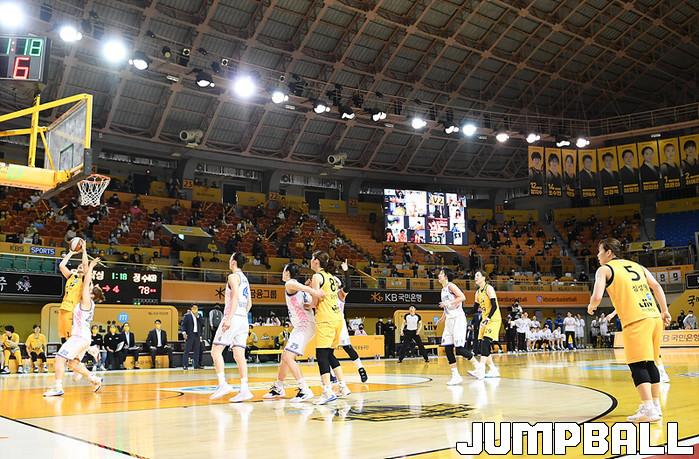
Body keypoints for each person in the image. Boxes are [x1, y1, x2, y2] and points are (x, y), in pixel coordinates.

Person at [587, 238, 671, 422]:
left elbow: (597, 296)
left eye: (600, 251)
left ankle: (648, 408)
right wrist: (664, 310)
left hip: (636, 320)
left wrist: (591, 306)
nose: (598, 255)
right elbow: (656, 286)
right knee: (651, 363)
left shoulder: (604, 269)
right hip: (654, 317)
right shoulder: (637, 266)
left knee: (637, 365)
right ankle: (655, 406)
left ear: (609, 252)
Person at [263, 263, 324, 402]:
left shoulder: (290, 284)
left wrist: (313, 291)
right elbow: (311, 302)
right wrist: (312, 292)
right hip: (304, 326)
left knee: (288, 357)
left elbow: (303, 288)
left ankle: (304, 389)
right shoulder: (301, 289)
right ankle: (278, 387)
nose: (282, 273)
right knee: (285, 356)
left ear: (288, 273)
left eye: (284, 270)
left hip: (304, 326)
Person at [44, 257, 105, 396]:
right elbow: (86, 279)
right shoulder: (87, 301)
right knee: (72, 364)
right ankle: (95, 379)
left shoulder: (86, 300)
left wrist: (91, 266)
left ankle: (58, 387)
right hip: (83, 337)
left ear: (92, 294)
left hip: (79, 337)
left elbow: (87, 279)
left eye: (91, 288)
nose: (89, 287)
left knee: (60, 358)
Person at [209, 253, 254, 403]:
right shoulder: (245, 279)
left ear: (233, 262)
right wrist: (241, 315)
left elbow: (234, 297)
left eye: (230, 260)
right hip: (243, 319)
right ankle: (244, 389)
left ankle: (223, 384)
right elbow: (249, 303)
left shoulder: (233, 277)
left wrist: (229, 318)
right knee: (239, 355)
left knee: (215, 351)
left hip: (232, 317)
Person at [309, 251, 351, 404]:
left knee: (321, 355)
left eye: (312, 258)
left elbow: (315, 302)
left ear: (316, 261)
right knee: (330, 355)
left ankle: (327, 391)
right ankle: (343, 386)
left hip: (325, 319)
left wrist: (307, 305)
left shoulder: (317, 277)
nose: (310, 261)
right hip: (337, 319)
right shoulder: (331, 277)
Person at [436, 268, 480, 385]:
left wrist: (449, 303)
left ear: (446, 276)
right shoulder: (442, 290)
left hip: (458, 319)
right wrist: (442, 317)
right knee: (447, 347)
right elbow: (446, 307)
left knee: (459, 349)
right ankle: (455, 375)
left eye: (441, 274)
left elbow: (462, 297)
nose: (439, 275)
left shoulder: (451, 286)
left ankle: (478, 367)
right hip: (449, 320)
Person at [335, 260, 368, 383]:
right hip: (328, 323)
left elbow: (348, 287)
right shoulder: (325, 294)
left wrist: (345, 271)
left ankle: (360, 368)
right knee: (326, 351)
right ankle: (332, 375)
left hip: (339, 323)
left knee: (347, 347)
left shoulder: (340, 294)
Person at [469, 270, 502, 379]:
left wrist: (488, 318)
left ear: (484, 277)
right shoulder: (477, 293)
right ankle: (493, 369)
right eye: (475, 276)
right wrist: (462, 313)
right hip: (485, 320)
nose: (475, 277)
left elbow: (494, 306)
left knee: (486, 342)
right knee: (483, 345)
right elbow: (474, 309)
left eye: (477, 275)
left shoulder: (489, 288)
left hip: (493, 319)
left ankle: (480, 369)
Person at [58, 244, 88, 343]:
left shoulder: (84, 279)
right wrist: (71, 253)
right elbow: (61, 266)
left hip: (72, 309)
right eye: (79, 265)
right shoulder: (71, 276)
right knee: (63, 338)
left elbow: (85, 265)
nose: (81, 266)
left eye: (82, 266)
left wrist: (84, 250)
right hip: (63, 307)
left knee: (70, 338)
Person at [181, 305, 204, 370]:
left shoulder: (199, 315)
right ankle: (185, 365)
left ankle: (196, 365)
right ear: (191, 309)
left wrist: (198, 317)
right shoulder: (187, 316)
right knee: (187, 350)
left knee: (197, 350)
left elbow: (202, 324)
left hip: (197, 335)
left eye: (196, 308)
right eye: (194, 308)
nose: (195, 309)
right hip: (190, 335)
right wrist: (184, 333)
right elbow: (183, 325)